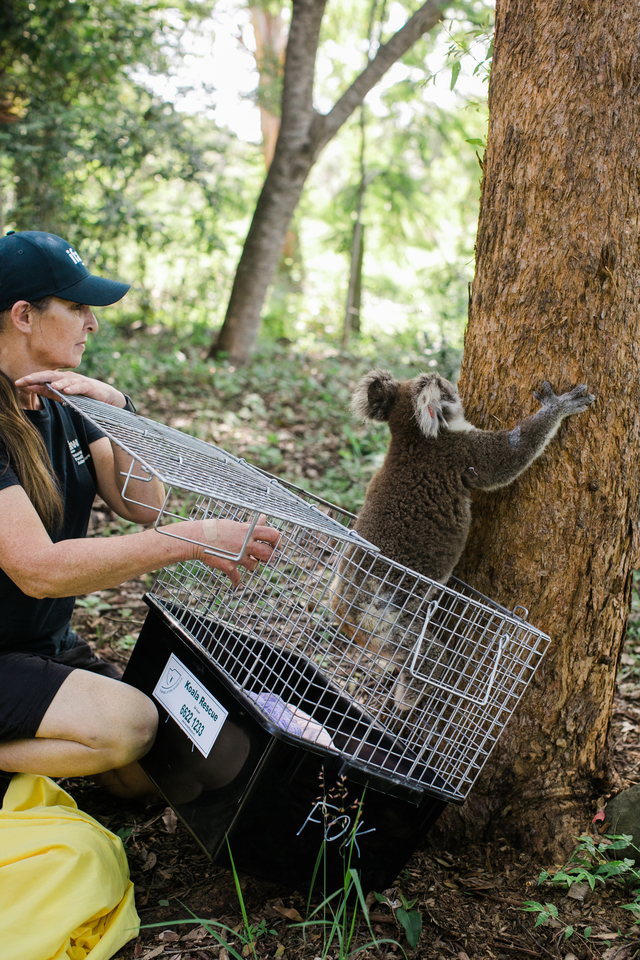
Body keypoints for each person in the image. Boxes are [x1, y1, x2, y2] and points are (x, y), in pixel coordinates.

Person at [0, 230, 280, 799]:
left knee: (174, 772)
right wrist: (196, 538)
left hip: (43, 647)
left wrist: (120, 411)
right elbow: (39, 569)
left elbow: (144, 503)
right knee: (130, 726)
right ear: (24, 315)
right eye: (78, 307)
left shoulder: (64, 401)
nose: (92, 323)